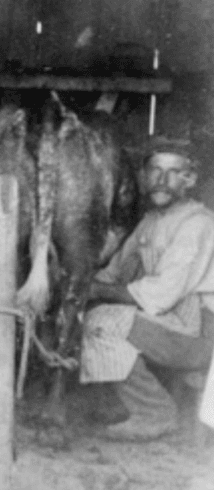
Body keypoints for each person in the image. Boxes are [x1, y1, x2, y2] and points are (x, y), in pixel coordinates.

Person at [80, 136, 214, 441]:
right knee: (92, 312)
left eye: (174, 173)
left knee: (103, 323)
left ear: (190, 179)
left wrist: (95, 292)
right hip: (173, 322)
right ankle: (121, 404)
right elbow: (115, 273)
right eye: (155, 171)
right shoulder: (152, 220)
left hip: (201, 331)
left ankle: (155, 412)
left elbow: (160, 294)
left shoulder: (198, 223)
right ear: (143, 176)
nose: (161, 181)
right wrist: (80, 284)